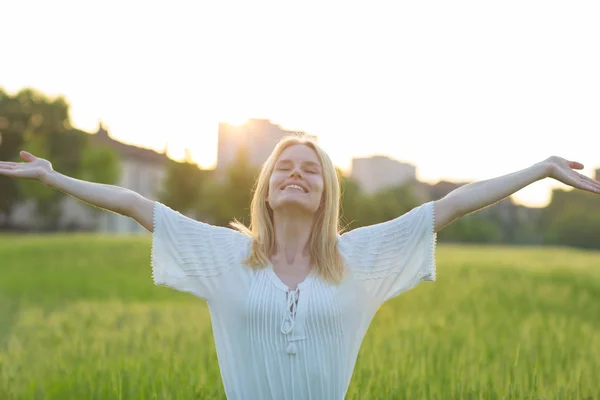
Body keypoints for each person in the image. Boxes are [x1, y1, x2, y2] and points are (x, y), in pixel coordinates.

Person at [1, 135, 599, 399]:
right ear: (265, 189)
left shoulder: (361, 258)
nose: (296, 173)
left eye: (311, 170)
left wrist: (541, 168)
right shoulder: (223, 256)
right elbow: (136, 203)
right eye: (284, 165)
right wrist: (53, 177)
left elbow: (449, 205)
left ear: (325, 195)